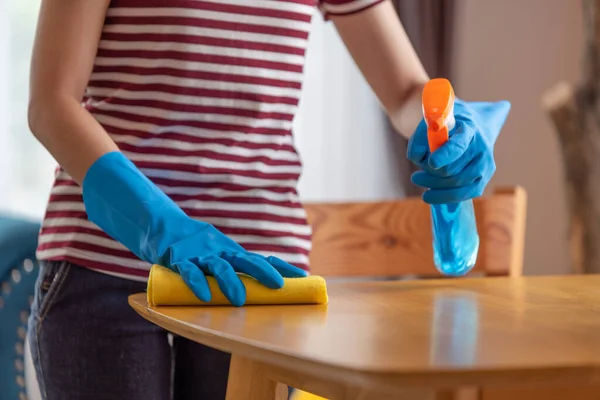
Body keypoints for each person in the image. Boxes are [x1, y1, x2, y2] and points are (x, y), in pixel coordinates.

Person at [26, 0, 510, 399]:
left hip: (259, 276)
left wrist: (446, 126)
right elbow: (52, 104)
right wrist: (158, 223)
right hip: (103, 264)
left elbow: (405, 92)